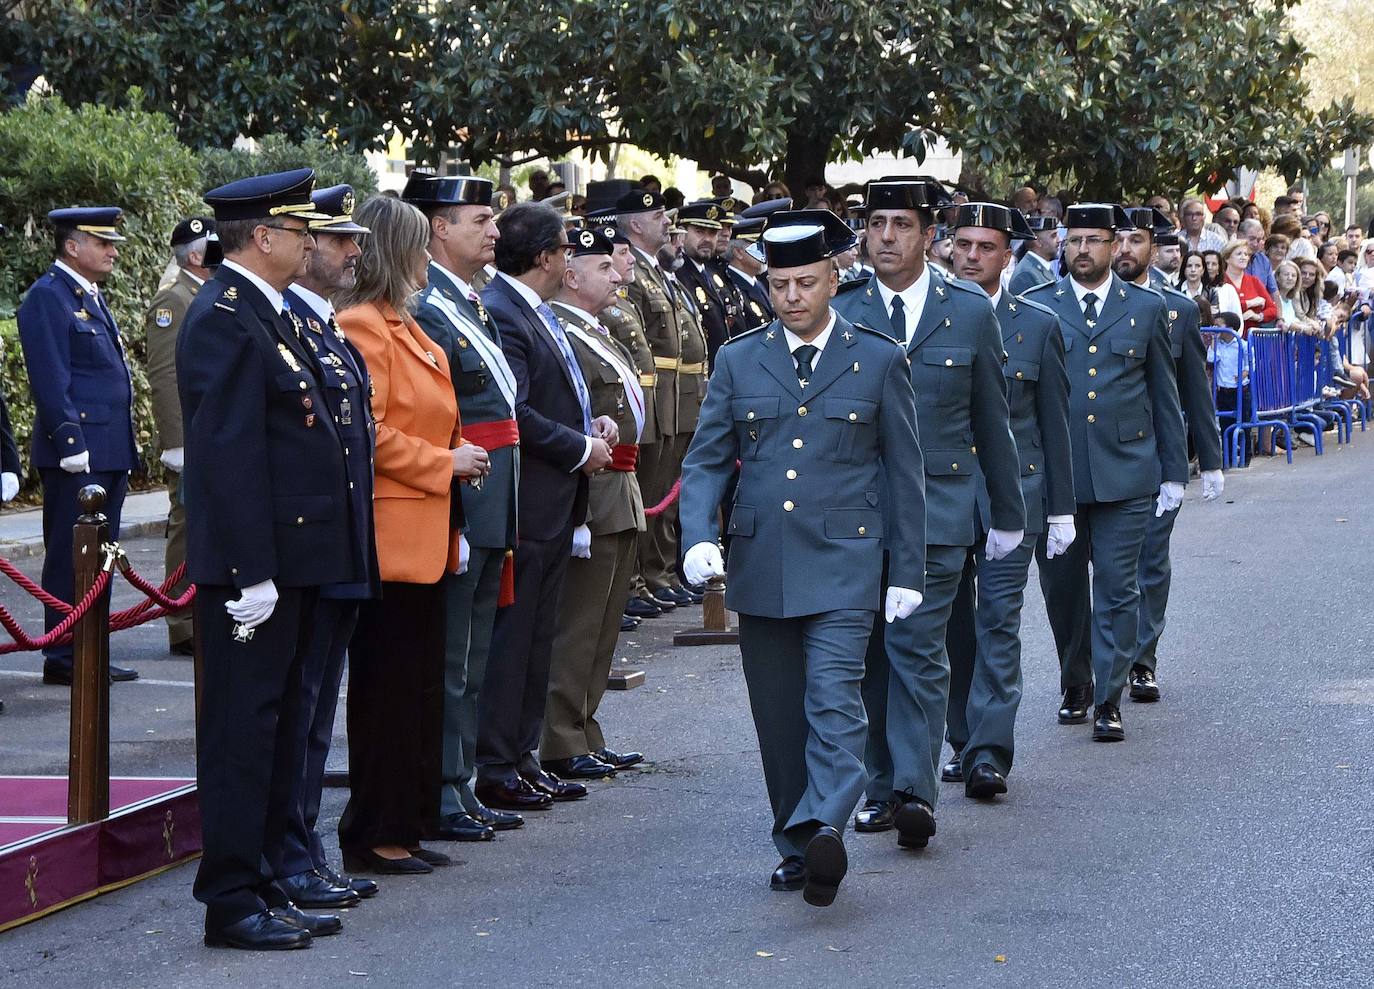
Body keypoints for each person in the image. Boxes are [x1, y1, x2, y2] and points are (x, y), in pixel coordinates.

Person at [680, 208, 925, 907]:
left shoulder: (877, 356)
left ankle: (827, 823)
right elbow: (704, 463)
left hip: (847, 561)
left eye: (806, 282)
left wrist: (908, 569)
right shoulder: (738, 357)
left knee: (834, 696)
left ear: (833, 279)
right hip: (762, 562)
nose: (791, 296)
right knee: (780, 713)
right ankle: (797, 839)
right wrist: (698, 533)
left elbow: (904, 474)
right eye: (780, 284)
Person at [179, 168, 357, 950]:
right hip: (255, 569)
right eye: (300, 232)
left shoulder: (267, 310)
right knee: (242, 736)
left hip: (294, 559)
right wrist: (251, 571)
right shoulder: (224, 315)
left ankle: (267, 877)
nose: (311, 243)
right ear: (264, 237)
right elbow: (229, 456)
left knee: (279, 729)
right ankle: (230, 895)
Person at [833, 177, 1023, 846]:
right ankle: (879, 782)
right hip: (856, 511)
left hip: (940, 509)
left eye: (901, 225)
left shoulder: (969, 310)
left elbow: (992, 422)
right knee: (870, 655)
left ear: (927, 236)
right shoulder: (842, 307)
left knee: (918, 644)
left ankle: (914, 789)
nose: (886, 236)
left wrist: (1008, 513)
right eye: (877, 223)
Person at [334, 195, 489, 876]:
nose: (429, 258)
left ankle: (406, 819)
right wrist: (444, 463)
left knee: (419, 687)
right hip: (392, 532)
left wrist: (457, 459)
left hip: (429, 529)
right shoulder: (363, 325)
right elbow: (369, 433)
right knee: (388, 690)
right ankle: (373, 830)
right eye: (420, 246)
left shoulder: (408, 324)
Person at [1023, 203, 1188, 741]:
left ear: (1114, 244)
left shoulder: (1145, 307)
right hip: (1059, 478)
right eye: (1074, 241)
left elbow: (1164, 393)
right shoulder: (1038, 307)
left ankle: (1110, 696)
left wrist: (1173, 471)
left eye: (1095, 240)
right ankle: (1077, 681)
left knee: (1118, 589)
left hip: (1127, 473)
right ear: (1064, 246)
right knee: (1064, 590)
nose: (1083, 251)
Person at [477, 201, 618, 810]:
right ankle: (500, 762)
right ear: (544, 258)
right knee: (516, 642)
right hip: (530, 499)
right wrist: (578, 445)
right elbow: (517, 412)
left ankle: (524, 755)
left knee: (539, 638)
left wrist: (591, 423)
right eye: (564, 249)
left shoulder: (531, 309)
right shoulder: (506, 311)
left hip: (555, 501)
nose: (569, 257)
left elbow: (553, 396)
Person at [403, 172, 525, 841]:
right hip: (459, 494)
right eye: (481, 218)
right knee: (453, 652)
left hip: (489, 495)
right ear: (439, 227)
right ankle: (444, 787)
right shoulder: (428, 305)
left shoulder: (467, 301)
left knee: (475, 650)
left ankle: (463, 780)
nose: (495, 231)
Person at [943, 203, 1075, 798]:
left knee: (999, 621)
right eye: (963, 244)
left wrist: (1062, 509)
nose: (972, 256)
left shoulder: (1039, 324)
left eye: (986, 247)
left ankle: (989, 752)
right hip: (940, 496)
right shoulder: (928, 321)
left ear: (1008, 255)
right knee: (948, 624)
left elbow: (1054, 426)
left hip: (1013, 499)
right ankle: (960, 736)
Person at [273, 184, 380, 907]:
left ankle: (303, 848)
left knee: (314, 710)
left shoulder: (325, 328)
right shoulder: (292, 327)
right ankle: (292, 850)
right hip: (306, 551)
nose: (352, 250)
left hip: (341, 546)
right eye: (338, 238)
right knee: (299, 706)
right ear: (303, 245)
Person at [18, 207, 140, 686]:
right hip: (79, 454)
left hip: (107, 450)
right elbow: (51, 381)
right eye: (104, 243)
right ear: (73, 247)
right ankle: (64, 655)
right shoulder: (48, 298)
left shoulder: (85, 295)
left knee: (102, 557)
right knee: (72, 558)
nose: (113, 252)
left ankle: (90, 651)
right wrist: (71, 444)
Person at [544, 224, 647, 778]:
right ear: (571, 274)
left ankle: (584, 726)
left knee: (604, 623)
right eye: (603, 268)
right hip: (594, 490)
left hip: (619, 486)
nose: (616, 276)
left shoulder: (596, 329)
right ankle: (560, 738)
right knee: (578, 624)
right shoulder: (562, 328)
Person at [1115, 207, 1223, 704]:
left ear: (1152, 248)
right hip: (1097, 458)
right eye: (1116, 239)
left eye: (1134, 240)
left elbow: (1193, 390)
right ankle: (1090, 667)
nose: (1123, 250)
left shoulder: (1177, 308)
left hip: (1159, 456)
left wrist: (1212, 460)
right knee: (1100, 570)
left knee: (1149, 561)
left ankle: (1141, 660)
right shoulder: (1068, 305)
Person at [615, 188, 690, 614]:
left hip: (675, 393)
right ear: (636, 224)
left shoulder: (656, 270)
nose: (667, 221)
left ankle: (656, 574)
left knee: (664, 491)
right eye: (659, 214)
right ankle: (636, 580)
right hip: (651, 392)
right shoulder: (633, 275)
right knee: (646, 492)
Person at [144, 215, 214, 656]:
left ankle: (198, 608)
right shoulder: (174, 299)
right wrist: (175, 442)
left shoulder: (205, 294)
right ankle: (182, 620)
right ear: (194, 255)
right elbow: (164, 374)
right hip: (189, 437)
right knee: (186, 525)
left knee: (203, 523)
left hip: (209, 432)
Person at [1219, 239, 1277, 332]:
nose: (1243, 257)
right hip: (1227, 338)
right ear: (1227, 258)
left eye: (1246, 254)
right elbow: (1223, 309)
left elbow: (1273, 310)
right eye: (1239, 254)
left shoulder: (1254, 281)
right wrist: (1250, 303)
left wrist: (1258, 316)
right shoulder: (1220, 282)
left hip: (1252, 339)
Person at [1008, 214, 1059, 294]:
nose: (1059, 240)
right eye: (1053, 236)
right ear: (1037, 241)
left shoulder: (1038, 269)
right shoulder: (1025, 275)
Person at [1239, 219, 1279, 295]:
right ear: (1240, 235)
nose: (1255, 244)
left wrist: (1278, 307)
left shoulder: (1264, 260)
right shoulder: (1231, 258)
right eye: (1251, 239)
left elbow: (1274, 291)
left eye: (1259, 240)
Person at [1179, 250, 1217, 326]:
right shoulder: (1175, 291)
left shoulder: (1211, 293)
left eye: (1197, 266)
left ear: (1203, 270)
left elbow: (1212, 318)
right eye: (1189, 266)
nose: (1193, 270)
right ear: (1184, 269)